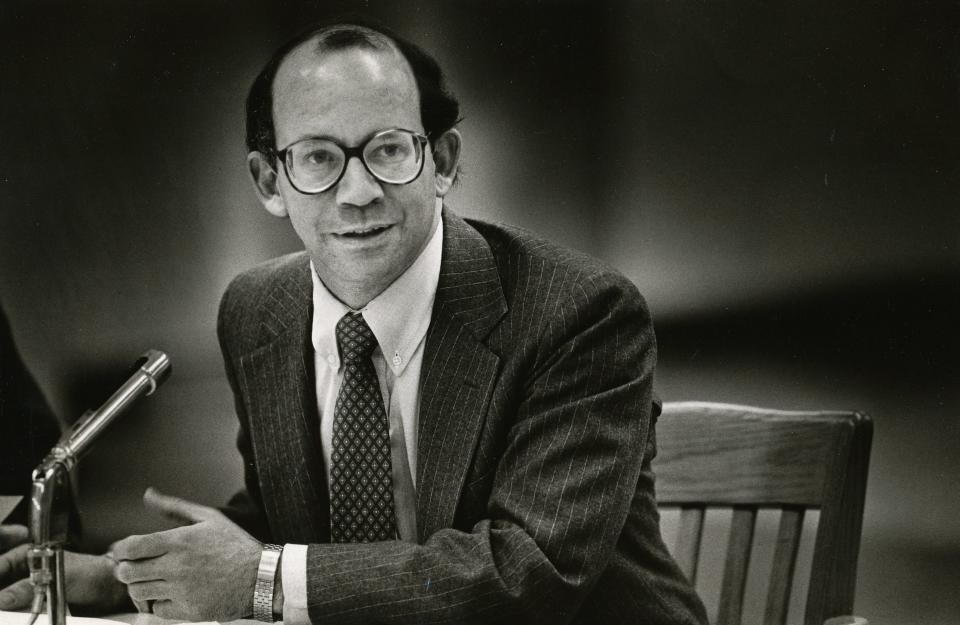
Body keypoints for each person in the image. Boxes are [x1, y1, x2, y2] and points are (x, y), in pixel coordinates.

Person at [3, 21, 707, 625]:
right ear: (269, 183)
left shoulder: (577, 310)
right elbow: (290, 525)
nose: (358, 191)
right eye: (318, 157)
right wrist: (123, 577)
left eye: (389, 148)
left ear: (443, 161)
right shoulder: (256, 311)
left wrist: (261, 578)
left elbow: (528, 573)